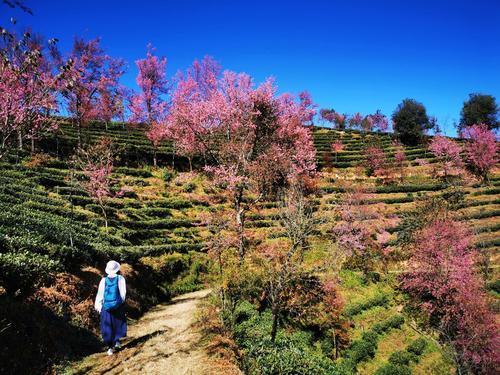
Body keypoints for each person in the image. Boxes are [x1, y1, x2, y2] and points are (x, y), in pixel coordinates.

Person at [94, 260, 127, 356]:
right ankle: (117, 341)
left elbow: (100, 294)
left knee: (107, 326)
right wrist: (120, 303)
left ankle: (109, 348)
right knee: (117, 324)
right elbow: (123, 293)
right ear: (117, 269)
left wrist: (99, 306)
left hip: (106, 307)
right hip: (118, 306)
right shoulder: (120, 278)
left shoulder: (103, 280)